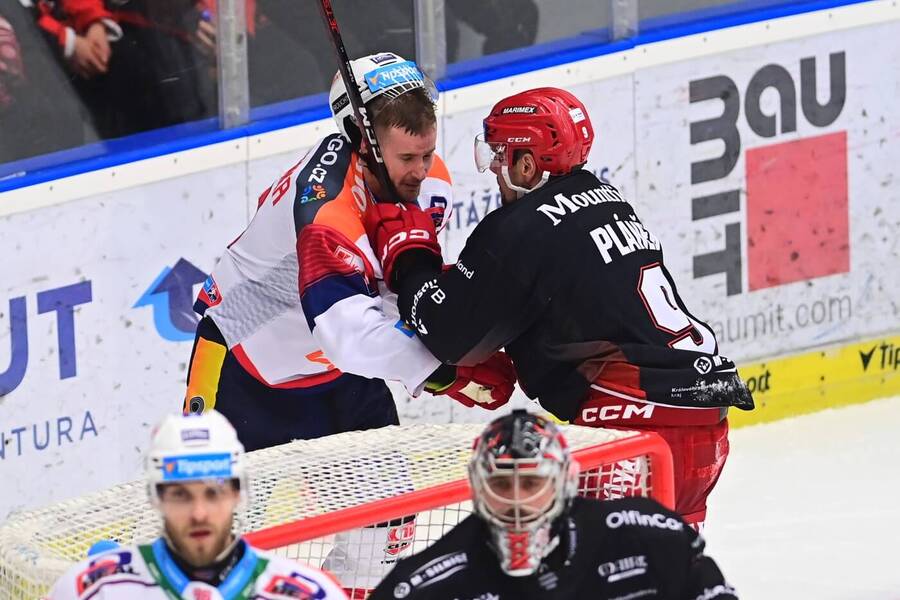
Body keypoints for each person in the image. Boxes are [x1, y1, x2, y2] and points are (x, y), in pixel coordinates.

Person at [363, 86, 754, 529]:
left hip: (634, 434)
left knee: (597, 576)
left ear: (526, 164)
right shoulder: (609, 200)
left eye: (500, 155)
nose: (494, 167)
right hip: (705, 422)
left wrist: (411, 257)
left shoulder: (520, 227)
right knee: (669, 571)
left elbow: (450, 333)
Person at [184, 51, 516, 454]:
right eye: (407, 158)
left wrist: (452, 341)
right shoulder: (325, 214)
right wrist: (442, 370)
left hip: (343, 375)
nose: (420, 172)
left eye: (427, 154)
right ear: (363, 142)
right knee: (223, 516)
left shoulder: (431, 187)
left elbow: (396, 299)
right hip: (246, 369)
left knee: (394, 514)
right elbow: (349, 336)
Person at [369, 410, 738, 599]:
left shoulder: (643, 535)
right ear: (479, 487)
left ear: (564, 481)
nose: (516, 502)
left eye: (531, 483)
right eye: (502, 484)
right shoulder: (425, 584)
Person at [47, 410, 349, 599]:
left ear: (238, 494)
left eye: (213, 493)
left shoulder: (308, 594)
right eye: (180, 495)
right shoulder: (92, 587)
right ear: (156, 498)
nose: (199, 513)